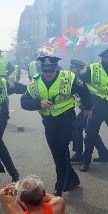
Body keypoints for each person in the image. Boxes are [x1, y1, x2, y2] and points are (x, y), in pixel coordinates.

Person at [20, 55, 92, 196]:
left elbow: (84, 90)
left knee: (60, 150)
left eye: (51, 70)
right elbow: (24, 102)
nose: (48, 73)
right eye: (45, 70)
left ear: (56, 67)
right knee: (58, 153)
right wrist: (38, 103)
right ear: (42, 69)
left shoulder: (68, 78)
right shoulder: (35, 82)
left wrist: (88, 107)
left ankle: (60, 187)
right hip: (49, 122)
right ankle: (73, 179)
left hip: (66, 119)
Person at [68, 59, 108, 164]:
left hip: (90, 108)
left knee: (77, 126)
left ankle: (78, 155)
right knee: (90, 131)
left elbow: (86, 93)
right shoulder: (80, 76)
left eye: (72, 68)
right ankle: (104, 153)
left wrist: (79, 99)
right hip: (88, 107)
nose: (71, 70)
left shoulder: (80, 77)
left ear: (76, 68)